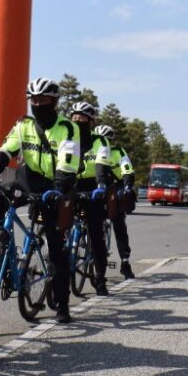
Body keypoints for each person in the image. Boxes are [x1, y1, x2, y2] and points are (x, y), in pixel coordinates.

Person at [0, 78, 80, 322]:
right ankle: (2, 254)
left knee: (57, 247)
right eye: (34, 100)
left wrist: (58, 188)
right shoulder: (23, 125)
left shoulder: (68, 128)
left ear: (54, 102)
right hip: (28, 179)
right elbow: (7, 149)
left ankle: (62, 304)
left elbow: (67, 163)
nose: (38, 104)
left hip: (56, 184)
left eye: (43, 100)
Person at [68, 101, 115, 295]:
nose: (77, 121)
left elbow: (101, 164)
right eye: (74, 118)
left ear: (90, 121)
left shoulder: (99, 141)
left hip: (93, 187)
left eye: (82, 118)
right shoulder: (67, 137)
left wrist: (101, 184)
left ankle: (100, 277)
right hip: (71, 184)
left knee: (95, 233)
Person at [95, 123, 137, 280]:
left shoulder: (118, 152)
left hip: (115, 188)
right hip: (97, 189)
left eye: (105, 139)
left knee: (119, 224)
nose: (102, 143)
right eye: (99, 139)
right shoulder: (91, 150)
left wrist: (127, 186)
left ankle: (125, 262)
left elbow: (127, 169)